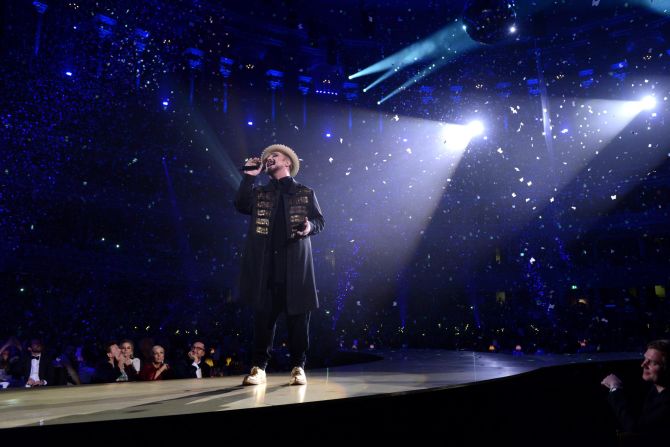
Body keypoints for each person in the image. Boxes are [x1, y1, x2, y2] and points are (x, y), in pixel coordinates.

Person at [234, 144, 324, 386]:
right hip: (267, 266)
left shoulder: (305, 192)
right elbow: (241, 205)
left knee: (298, 321)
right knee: (263, 320)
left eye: (274, 156)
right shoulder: (260, 192)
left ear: (287, 162)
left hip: (295, 266)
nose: (269, 159)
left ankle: (298, 367)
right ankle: (259, 368)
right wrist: (248, 178)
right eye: (267, 158)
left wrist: (309, 227)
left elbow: (319, 220)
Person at [601, 339, 670, 440]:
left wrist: (614, 388)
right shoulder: (655, 388)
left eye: (653, 362)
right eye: (645, 359)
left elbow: (635, 428)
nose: (643, 365)